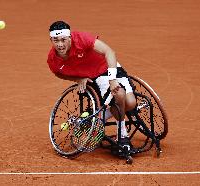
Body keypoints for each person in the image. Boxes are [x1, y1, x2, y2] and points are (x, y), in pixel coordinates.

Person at [47, 21, 136, 149]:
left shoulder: (82, 39)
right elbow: (58, 73)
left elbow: (109, 52)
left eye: (63, 40)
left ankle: (99, 117)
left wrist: (112, 79)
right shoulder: (52, 59)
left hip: (109, 68)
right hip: (96, 78)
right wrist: (78, 79)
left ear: (70, 37)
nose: (60, 44)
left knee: (131, 103)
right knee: (120, 95)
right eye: (56, 40)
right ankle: (122, 134)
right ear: (51, 39)